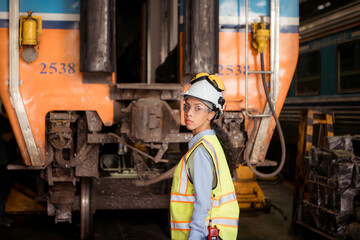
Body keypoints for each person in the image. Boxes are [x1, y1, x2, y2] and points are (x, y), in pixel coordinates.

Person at [170, 73, 239, 240]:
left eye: (198, 108)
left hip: (202, 234)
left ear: (211, 114)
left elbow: (203, 203)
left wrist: (195, 236)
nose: (189, 113)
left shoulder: (201, 151)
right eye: (187, 106)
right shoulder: (212, 142)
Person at [0, 104, 16, 227]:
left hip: (5, 161)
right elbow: (7, 137)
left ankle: (3, 216)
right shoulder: (2, 121)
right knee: (1, 192)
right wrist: (17, 130)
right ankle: (1, 218)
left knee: (4, 191)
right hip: (1, 162)